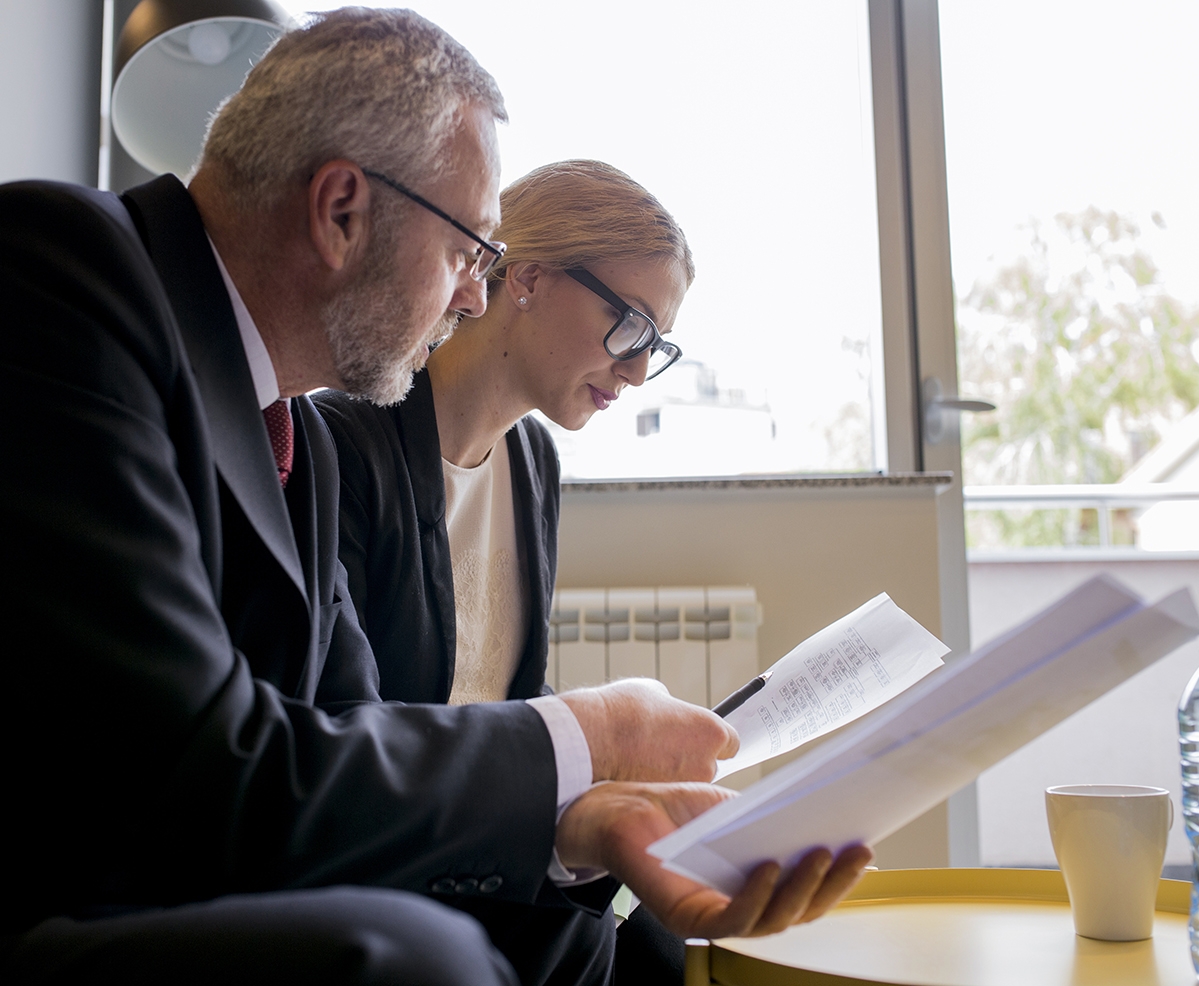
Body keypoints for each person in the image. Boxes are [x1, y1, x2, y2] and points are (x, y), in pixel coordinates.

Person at [0, 8, 870, 986]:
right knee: (422, 957)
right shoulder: (59, 275)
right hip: (61, 900)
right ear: (341, 211)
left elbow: (335, 746)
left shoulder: (291, 441)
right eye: (467, 251)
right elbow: (196, 769)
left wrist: (578, 822)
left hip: (180, 884)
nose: (468, 296)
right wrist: (585, 736)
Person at [315, 159, 695, 983]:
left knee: (687, 943)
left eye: (656, 347)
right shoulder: (342, 440)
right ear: (525, 278)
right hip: (405, 860)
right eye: (630, 326)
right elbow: (345, 730)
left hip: (504, 851)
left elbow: (514, 693)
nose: (635, 372)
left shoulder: (533, 462)